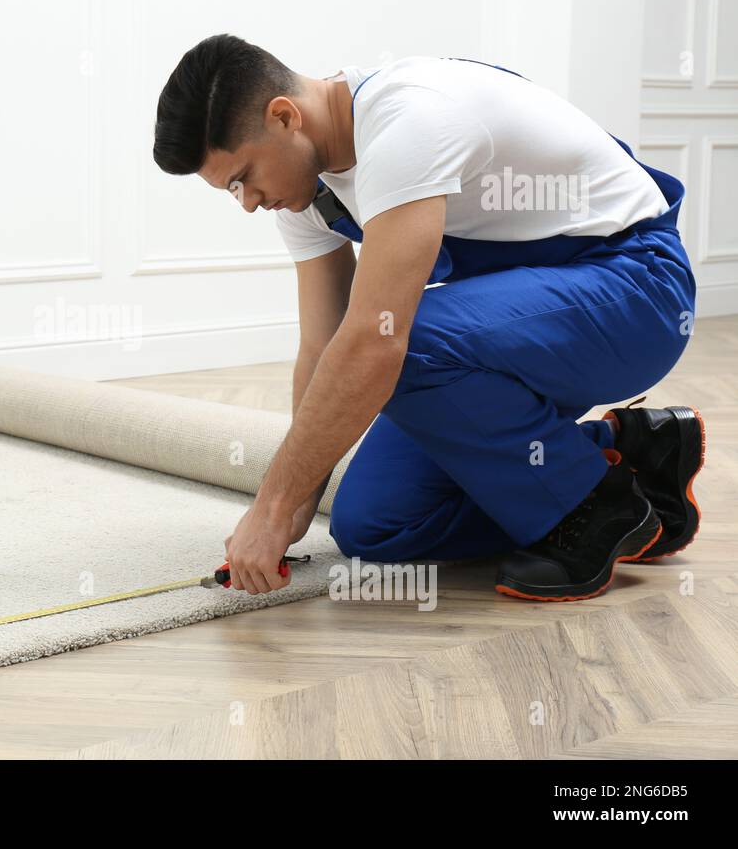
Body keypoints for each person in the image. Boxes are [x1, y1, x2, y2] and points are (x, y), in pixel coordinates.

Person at [151, 34, 704, 602]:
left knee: (396, 339)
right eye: (229, 191)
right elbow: (321, 349)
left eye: (242, 177)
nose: (246, 202)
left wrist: (268, 509)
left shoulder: (406, 120)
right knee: (376, 525)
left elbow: (371, 342)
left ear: (284, 116)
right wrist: (293, 508)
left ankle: (596, 508)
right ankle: (630, 461)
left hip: (636, 292)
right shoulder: (305, 195)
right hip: (538, 324)